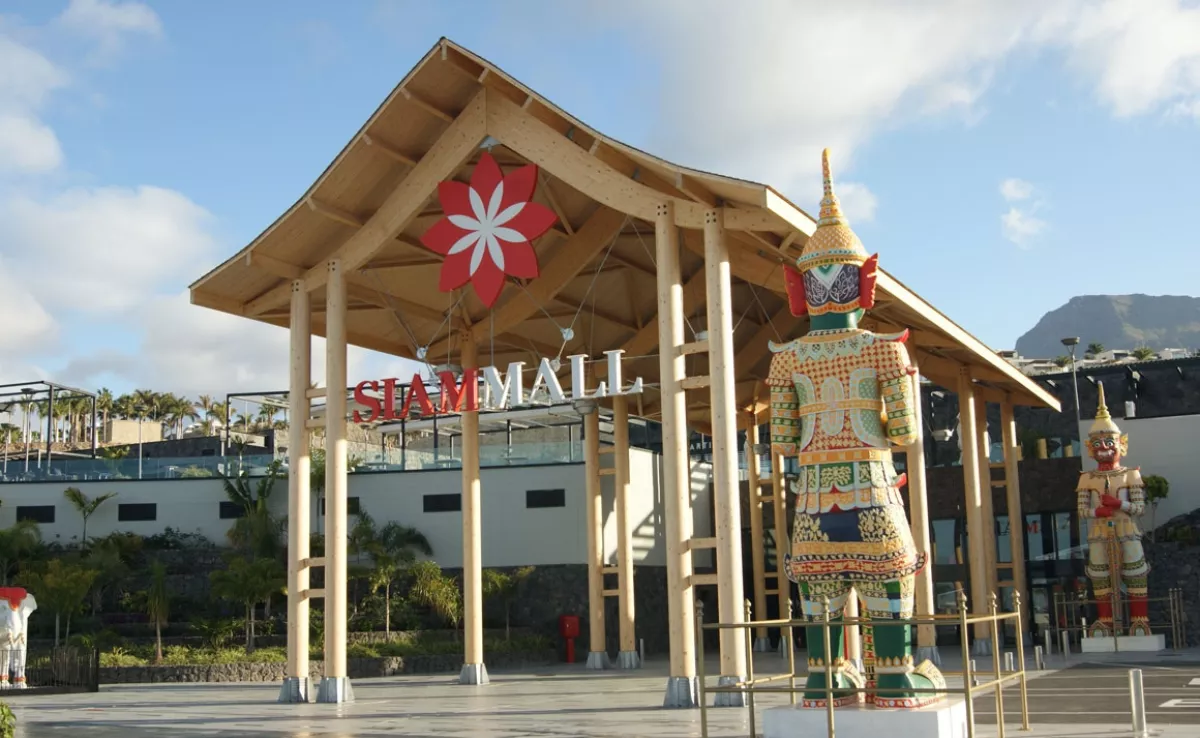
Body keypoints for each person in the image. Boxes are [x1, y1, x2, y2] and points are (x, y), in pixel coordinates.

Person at [768, 149, 943, 710]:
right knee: (892, 582)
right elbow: (907, 434)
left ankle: (823, 682)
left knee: (819, 597)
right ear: (860, 281)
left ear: (804, 289)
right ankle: (891, 680)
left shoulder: (785, 359)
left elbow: (781, 442)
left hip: (815, 503)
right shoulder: (884, 350)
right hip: (871, 491)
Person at [1076, 382, 1149, 637]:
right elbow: (1082, 510)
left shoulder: (1131, 475)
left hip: (1127, 529)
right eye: (1098, 442)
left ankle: (1140, 619)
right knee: (1100, 575)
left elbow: (1139, 508)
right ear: (1090, 447)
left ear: (1121, 444)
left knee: (1136, 571)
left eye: (1109, 441)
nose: (1104, 447)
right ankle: (1106, 621)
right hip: (1098, 530)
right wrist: (1098, 512)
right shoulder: (1086, 478)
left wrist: (1119, 505)